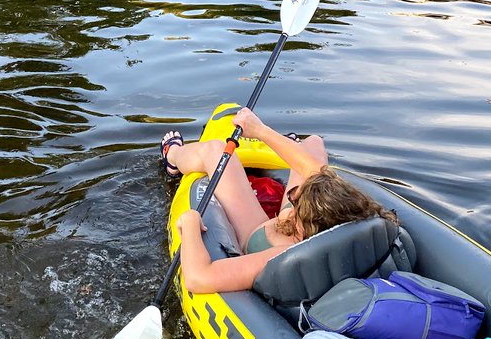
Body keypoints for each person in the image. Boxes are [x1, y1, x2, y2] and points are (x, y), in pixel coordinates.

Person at [160, 107, 396, 294]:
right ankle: (280, 144)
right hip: (301, 228)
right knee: (313, 143)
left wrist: (190, 223)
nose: (291, 199)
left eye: (295, 202)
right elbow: (315, 170)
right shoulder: (363, 218)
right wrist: (260, 130)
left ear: (303, 223)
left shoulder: (283, 257)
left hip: (257, 233)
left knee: (215, 150)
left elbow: (199, 278)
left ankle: (172, 157)